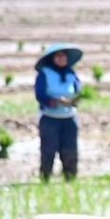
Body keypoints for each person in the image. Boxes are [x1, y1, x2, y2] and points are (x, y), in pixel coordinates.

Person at [33, 44, 84, 182]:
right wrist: (56, 101)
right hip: (50, 119)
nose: (62, 59)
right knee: (48, 151)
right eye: (58, 56)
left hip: (69, 118)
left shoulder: (71, 73)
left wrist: (75, 100)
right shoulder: (44, 74)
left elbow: (79, 90)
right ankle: (45, 179)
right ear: (52, 58)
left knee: (70, 150)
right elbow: (40, 95)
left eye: (64, 56)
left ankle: (70, 179)